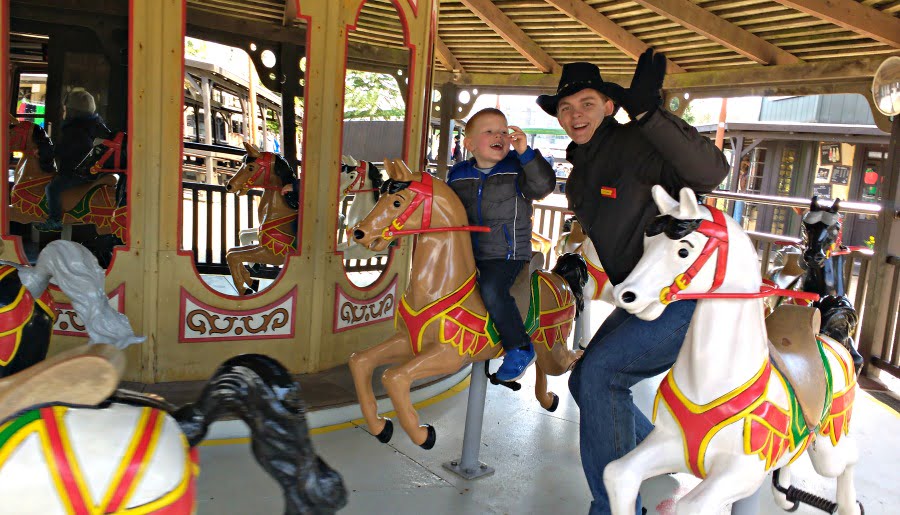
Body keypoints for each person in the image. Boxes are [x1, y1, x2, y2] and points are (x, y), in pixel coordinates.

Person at [536, 51, 728, 514]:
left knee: (602, 375)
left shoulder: (638, 142)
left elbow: (710, 172)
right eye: (565, 108)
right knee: (586, 379)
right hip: (645, 295)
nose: (574, 115)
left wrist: (648, 111)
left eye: (586, 103)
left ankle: (615, 508)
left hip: (688, 292)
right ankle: (658, 453)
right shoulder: (584, 163)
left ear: (607, 105)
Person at [447, 108, 556, 382]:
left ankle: (518, 347)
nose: (500, 135)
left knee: (493, 289)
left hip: (506, 254)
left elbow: (543, 185)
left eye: (504, 131)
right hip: (468, 253)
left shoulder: (518, 168)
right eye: (490, 131)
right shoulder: (458, 173)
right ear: (469, 144)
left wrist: (526, 154)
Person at [35, 89, 110, 232]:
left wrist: (47, 152)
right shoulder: (96, 124)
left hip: (79, 172)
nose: (63, 113)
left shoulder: (75, 129)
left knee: (52, 188)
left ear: (72, 111)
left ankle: (55, 220)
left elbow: (67, 150)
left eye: (65, 109)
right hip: (94, 170)